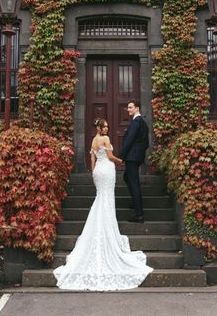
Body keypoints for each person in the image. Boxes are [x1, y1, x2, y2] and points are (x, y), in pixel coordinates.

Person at [53, 118, 153, 291]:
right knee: (107, 199)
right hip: (107, 170)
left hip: (99, 171)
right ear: (99, 127)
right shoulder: (105, 139)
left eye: (107, 125)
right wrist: (120, 161)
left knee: (101, 199)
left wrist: (93, 173)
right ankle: (107, 229)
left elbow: (92, 159)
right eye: (105, 126)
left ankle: (100, 225)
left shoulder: (93, 140)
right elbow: (109, 156)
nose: (107, 128)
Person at [120, 100, 149, 223]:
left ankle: (139, 214)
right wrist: (140, 152)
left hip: (132, 157)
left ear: (137, 108)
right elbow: (146, 143)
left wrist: (121, 157)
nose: (128, 110)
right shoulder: (142, 122)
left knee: (134, 183)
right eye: (128, 107)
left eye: (130, 107)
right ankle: (134, 201)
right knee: (127, 177)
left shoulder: (136, 122)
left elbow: (129, 140)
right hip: (136, 156)